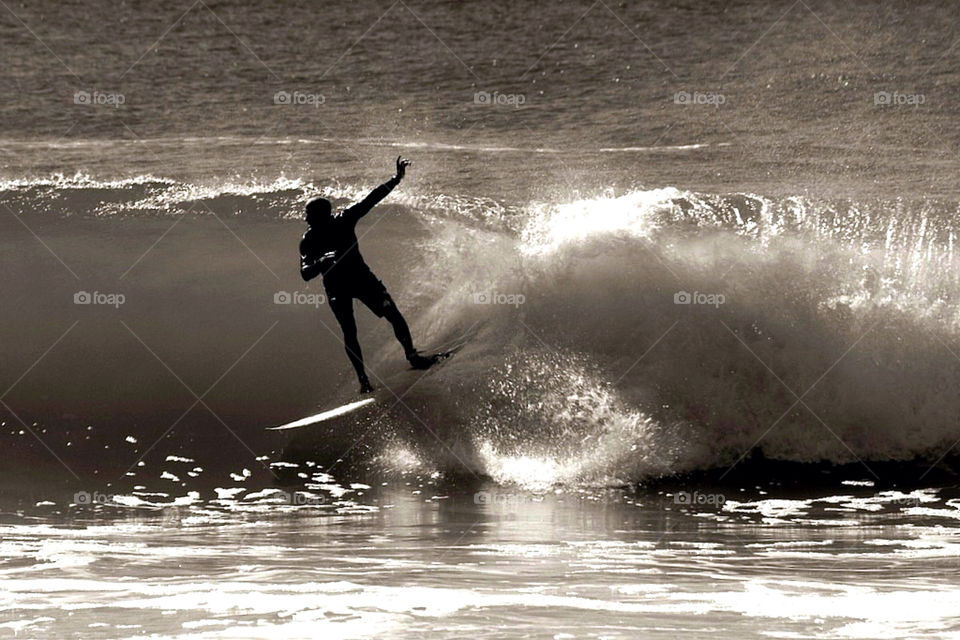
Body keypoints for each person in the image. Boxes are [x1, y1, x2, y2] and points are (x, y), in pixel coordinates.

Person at [300, 156, 437, 393]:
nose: (305, 219)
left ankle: (413, 356)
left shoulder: (344, 220)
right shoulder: (308, 239)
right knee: (349, 331)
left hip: (362, 279)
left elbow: (371, 199)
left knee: (393, 313)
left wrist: (397, 179)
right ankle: (363, 381)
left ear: (322, 215)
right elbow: (304, 273)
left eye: (309, 216)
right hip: (336, 287)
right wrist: (322, 261)